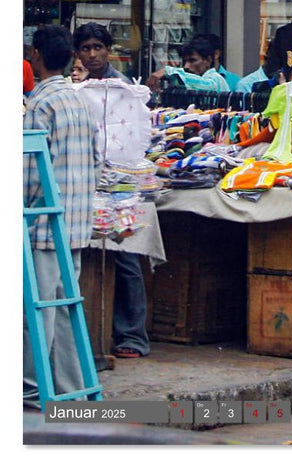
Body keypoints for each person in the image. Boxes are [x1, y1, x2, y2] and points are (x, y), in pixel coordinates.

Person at [23, 25, 101, 408]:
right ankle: (70, 391)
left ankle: (31, 390)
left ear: (36, 56)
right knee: (66, 308)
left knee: (37, 313)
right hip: (76, 222)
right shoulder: (80, 101)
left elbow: (30, 171)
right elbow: (97, 160)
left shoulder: (40, 104)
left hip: (43, 225)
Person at [73, 22, 152, 361]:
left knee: (127, 256)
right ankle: (92, 335)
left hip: (120, 185)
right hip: (85, 183)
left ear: (107, 50)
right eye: (86, 49)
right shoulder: (74, 89)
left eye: (97, 48)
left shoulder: (124, 89)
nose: (92, 55)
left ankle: (133, 337)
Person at [146, 35, 230, 93]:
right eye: (185, 62)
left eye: (192, 60)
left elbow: (206, 85)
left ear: (208, 60)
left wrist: (168, 71)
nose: (186, 66)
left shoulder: (216, 79)